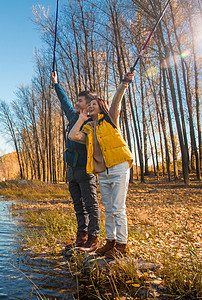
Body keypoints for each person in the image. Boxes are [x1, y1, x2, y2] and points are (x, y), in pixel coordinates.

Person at [68, 71, 135, 259]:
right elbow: (73, 136)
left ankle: (122, 244)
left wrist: (124, 84)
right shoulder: (89, 129)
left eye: (93, 105)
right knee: (108, 207)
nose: (90, 107)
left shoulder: (110, 120)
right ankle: (111, 242)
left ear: (101, 107)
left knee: (117, 207)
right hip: (103, 172)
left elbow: (116, 102)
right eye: (88, 106)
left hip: (119, 166)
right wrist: (81, 118)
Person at [52, 71, 99, 252]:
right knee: (78, 205)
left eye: (80, 101)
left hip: (85, 170)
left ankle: (93, 239)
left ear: (89, 104)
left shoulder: (94, 123)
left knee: (91, 204)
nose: (76, 103)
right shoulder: (73, 117)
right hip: (71, 168)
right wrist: (56, 84)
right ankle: (82, 237)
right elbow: (63, 101)